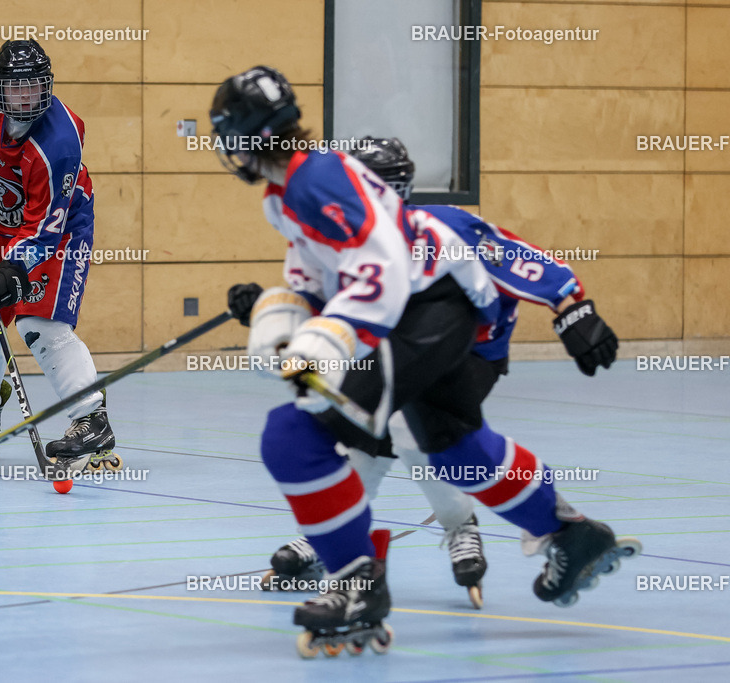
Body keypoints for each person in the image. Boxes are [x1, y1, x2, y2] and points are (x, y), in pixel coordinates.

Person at [210, 66, 639, 657]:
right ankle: (569, 533)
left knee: (294, 433)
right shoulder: (287, 195)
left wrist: (326, 343)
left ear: (245, 137)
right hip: (430, 312)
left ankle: (356, 582)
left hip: (430, 313)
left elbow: (384, 269)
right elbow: (320, 273)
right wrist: (279, 314)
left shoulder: (318, 179)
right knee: (451, 448)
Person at [0, 39, 118, 472]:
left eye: (35, 87)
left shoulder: (59, 143)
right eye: (16, 88)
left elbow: (44, 229)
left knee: (38, 325)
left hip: (59, 230)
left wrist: (12, 272)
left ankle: (91, 418)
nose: (26, 97)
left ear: (48, 85)